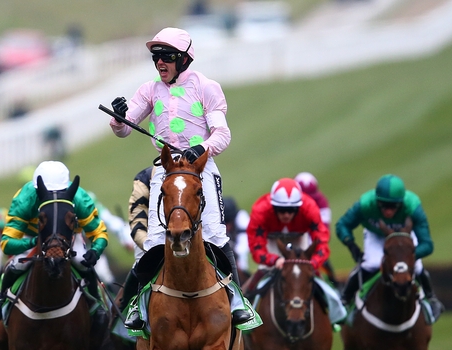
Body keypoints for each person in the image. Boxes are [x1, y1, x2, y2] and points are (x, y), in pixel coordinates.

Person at [108, 27, 253, 327]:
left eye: (167, 57)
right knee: (155, 241)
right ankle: (137, 305)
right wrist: (117, 117)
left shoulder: (206, 87)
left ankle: (238, 299)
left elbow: (222, 134)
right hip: (165, 170)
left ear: (184, 59)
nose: (160, 63)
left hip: (200, 168)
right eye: (156, 57)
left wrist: (203, 147)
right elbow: (123, 128)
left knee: (214, 234)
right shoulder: (149, 90)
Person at [0, 161, 109, 323]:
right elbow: (7, 243)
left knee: (81, 261)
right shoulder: (25, 198)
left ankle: (96, 303)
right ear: (37, 189)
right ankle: (1, 297)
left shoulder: (80, 198)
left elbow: (98, 232)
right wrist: (35, 242)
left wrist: (95, 251)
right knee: (17, 264)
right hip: (33, 237)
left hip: (68, 238)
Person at [335, 174, 444, 321]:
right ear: (377, 201)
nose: (388, 211)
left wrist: (408, 257)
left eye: (393, 206)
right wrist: (351, 245)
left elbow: (427, 244)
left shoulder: (413, 206)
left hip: (405, 238)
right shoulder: (366, 204)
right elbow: (343, 225)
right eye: (383, 205)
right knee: (371, 263)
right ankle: (345, 301)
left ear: (401, 203)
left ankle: (432, 299)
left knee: (417, 267)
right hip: (377, 235)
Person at [246, 178, 331, 284]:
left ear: (298, 207)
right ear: (273, 207)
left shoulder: (310, 208)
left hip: (299, 239)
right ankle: (246, 297)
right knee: (260, 275)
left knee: (316, 277)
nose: (286, 215)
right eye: (281, 210)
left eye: (291, 210)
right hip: (272, 242)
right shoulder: (260, 211)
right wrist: (273, 260)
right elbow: (256, 247)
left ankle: (333, 299)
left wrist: (312, 263)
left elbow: (322, 243)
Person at [294, 171, 338, 285]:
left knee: (328, 271)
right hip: (293, 241)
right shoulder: (289, 204)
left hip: (312, 243)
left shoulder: (321, 202)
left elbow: (323, 230)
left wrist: (310, 249)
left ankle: (337, 291)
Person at [223, 196, 251, 273]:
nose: (227, 226)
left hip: (237, 257)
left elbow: (243, 247)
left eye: (228, 222)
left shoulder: (242, 218)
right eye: (224, 222)